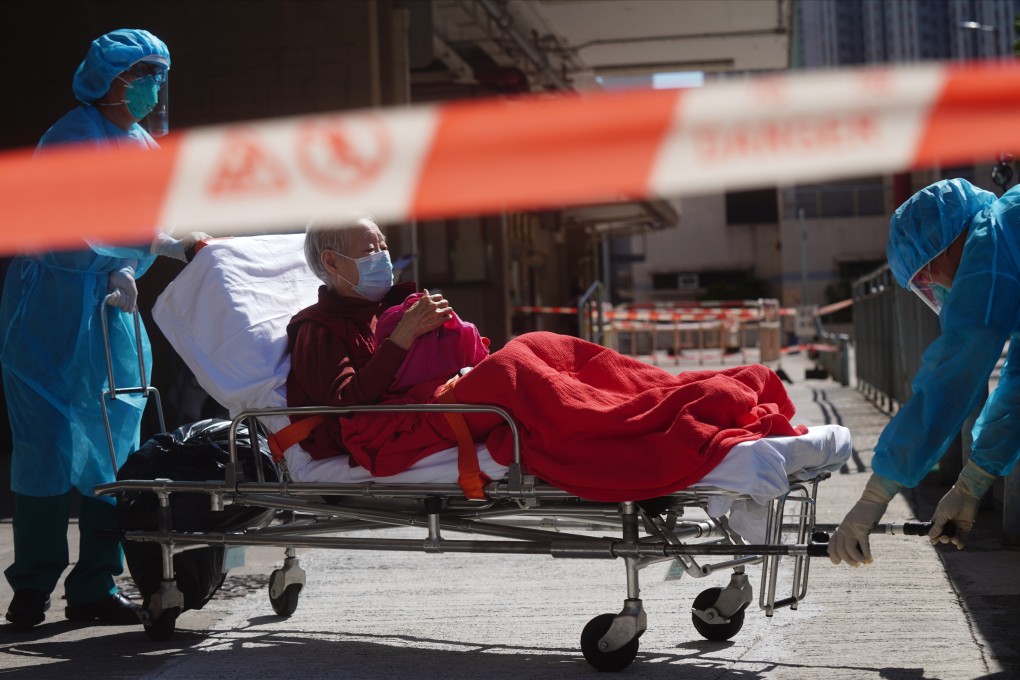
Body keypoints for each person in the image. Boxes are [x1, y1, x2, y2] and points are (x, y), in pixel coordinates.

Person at [0, 29, 205, 629]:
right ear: (107, 79)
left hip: (111, 309)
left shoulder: (142, 144)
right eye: (140, 74)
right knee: (45, 448)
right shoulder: (69, 138)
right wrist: (146, 247)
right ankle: (31, 588)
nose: (152, 86)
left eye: (157, 74)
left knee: (115, 447)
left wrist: (163, 246)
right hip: (51, 309)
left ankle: (95, 584)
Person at [829, 178, 1020, 567]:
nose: (932, 284)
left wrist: (876, 495)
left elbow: (950, 380)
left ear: (948, 243)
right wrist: (973, 483)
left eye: (926, 273)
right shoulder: (1008, 238)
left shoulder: (988, 251)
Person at [284, 216, 454, 462]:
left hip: (431, 405)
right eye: (370, 251)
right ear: (332, 262)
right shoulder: (316, 328)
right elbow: (345, 402)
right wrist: (403, 335)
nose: (383, 258)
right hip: (389, 429)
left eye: (383, 248)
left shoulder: (394, 308)